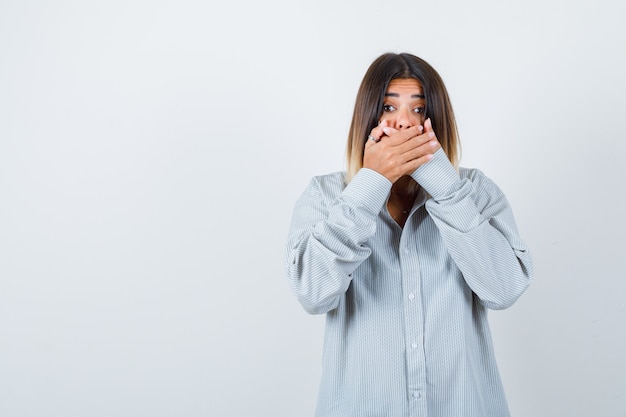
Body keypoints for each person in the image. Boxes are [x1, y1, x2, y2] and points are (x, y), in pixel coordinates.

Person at [285, 52, 533, 417]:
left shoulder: (476, 192)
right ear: (368, 117)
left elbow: (505, 289)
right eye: (388, 106)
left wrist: (447, 189)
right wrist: (371, 184)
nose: (403, 122)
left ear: (436, 121)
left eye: (418, 110)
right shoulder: (325, 196)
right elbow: (312, 293)